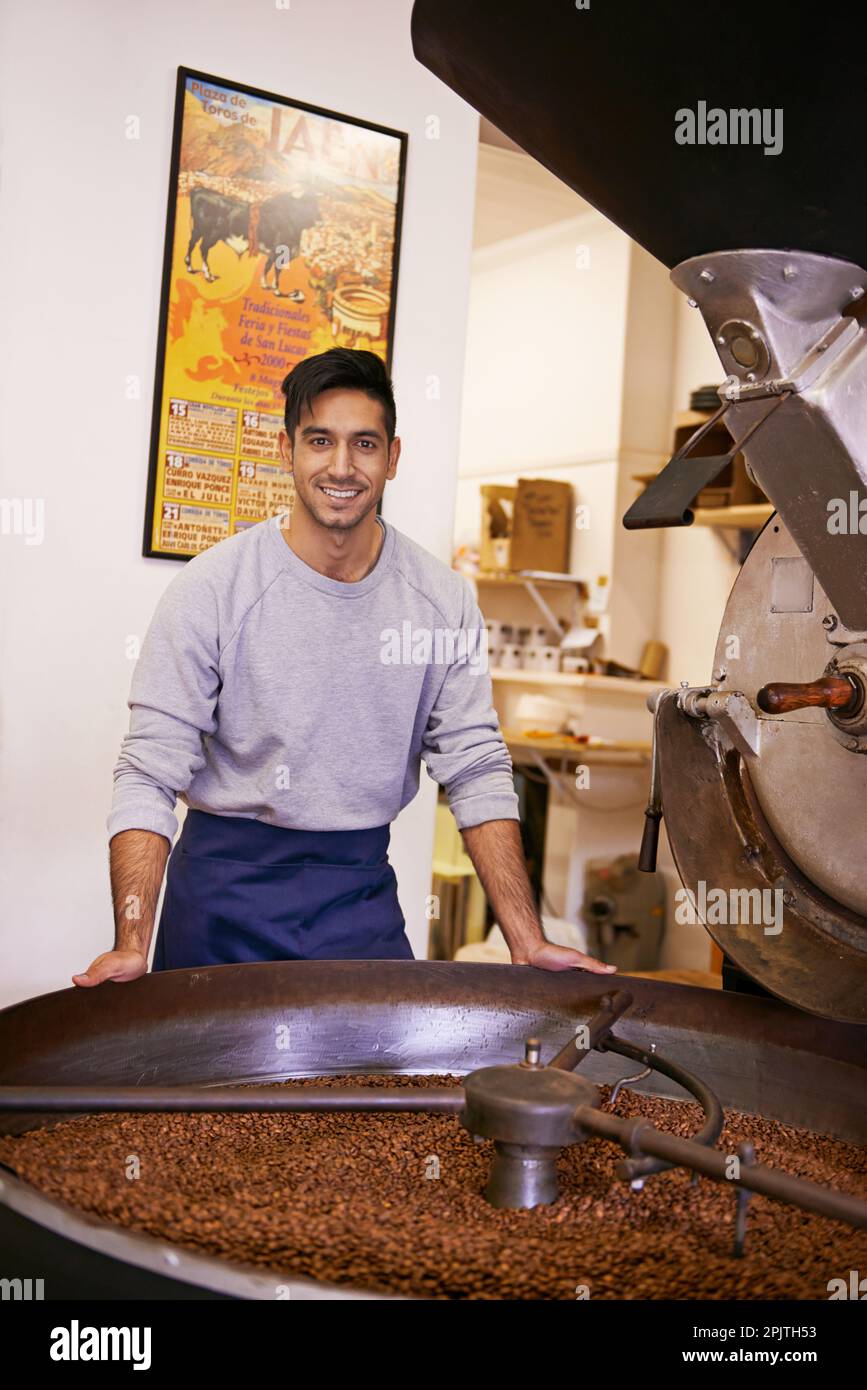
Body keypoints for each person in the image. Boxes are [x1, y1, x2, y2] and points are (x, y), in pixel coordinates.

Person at [74, 348, 616, 985]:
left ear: (392, 458)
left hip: (358, 897)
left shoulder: (439, 601)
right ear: (287, 451)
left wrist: (526, 941)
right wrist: (131, 941)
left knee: (376, 1083)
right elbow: (149, 770)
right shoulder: (213, 589)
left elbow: (474, 765)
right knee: (212, 1087)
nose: (341, 466)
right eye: (319, 441)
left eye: (364, 444)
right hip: (221, 897)